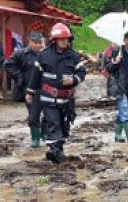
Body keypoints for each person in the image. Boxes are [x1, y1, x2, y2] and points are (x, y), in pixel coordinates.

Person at [27, 23, 86, 163]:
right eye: (61, 39)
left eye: (66, 39)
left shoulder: (74, 56)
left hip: (66, 100)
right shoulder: (44, 55)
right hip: (48, 98)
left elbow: (82, 72)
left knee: (64, 124)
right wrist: (30, 92)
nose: (64, 41)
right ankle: (54, 149)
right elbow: (35, 75)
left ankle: (58, 149)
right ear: (55, 39)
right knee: (53, 122)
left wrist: (73, 79)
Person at [5, 31, 45, 147]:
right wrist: (19, 77)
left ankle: (45, 134)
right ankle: (35, 138)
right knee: (33, 113)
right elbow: (8, 65)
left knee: (49, 112)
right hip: (28, 89)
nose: (38, 45)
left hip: (44, 87)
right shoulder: (21, 54)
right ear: (30, 42)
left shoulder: (45, 54)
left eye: (40, 43)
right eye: (36, 43)